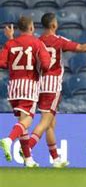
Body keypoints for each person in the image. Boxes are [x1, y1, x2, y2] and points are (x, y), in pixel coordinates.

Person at [15, 13, 86, 168]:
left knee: (51, 124)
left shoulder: (37, 41)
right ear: (53, 25)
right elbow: (82, 47)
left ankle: (56, 159)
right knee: (45, 122)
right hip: (52, 86)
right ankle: (27, 149)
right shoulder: (58, 41)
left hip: (37, 85)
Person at [0, 16, 51, 167]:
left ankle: (28, 159)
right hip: (28, 85)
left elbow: (2, 63)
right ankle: (8, 140)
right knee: (28, 119)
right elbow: (46, 65)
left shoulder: (11, 43)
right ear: (31, 28)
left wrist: (10, 39)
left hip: (13, 87)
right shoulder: (37, 43)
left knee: (22, 123)